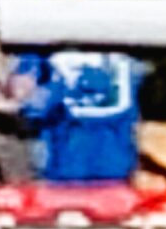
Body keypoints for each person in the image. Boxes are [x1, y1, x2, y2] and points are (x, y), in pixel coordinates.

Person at [9, 49, 145, 183]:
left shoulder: (130, 38)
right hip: (64, 165)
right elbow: (22, 90)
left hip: (119, 166)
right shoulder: (44, 43)